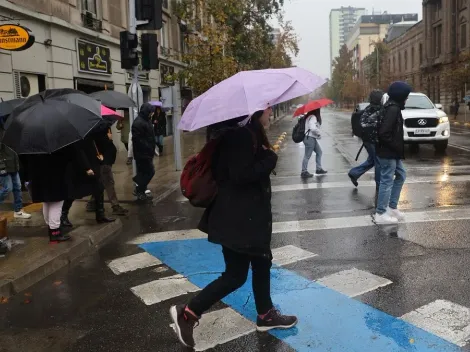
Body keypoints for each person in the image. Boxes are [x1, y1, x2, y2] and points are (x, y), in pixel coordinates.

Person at [170, 108, 297, 349]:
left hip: (243, 218)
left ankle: (265, 314)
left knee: (261, 262)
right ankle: (187, 313)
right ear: (256, 111)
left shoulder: (243, 134)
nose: (270, 112)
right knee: (236, 275)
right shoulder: (240, 136)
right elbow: (240, 175)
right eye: (268, 108)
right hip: (240, 220)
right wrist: (269, 159)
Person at [374, 81, 411, 224]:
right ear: (400, 95)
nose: (407, 99)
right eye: (406, 96)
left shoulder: (392, 107)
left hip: (391, 152)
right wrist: (396, 146)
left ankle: (392, 207)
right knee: (387, 180)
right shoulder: (393, 109)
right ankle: (381, 213)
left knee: (401, 175)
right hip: (388, 152)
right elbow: (384, 133)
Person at [61, 135, 116, 226]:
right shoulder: (77, 136)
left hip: (91, 164)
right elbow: (79, 151)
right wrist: (87, 167)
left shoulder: (87, 132)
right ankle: (63, 216)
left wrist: (99, 158)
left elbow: (92, 145)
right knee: (73, 192)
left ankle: (100, 215)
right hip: (81, 167)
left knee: (99, 188)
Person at [24, 148, 72, 242]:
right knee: (56, 205)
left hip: (40, 179)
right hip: (54, 179)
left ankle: (50, 227)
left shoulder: (32, 146)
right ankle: (55, 232)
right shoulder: (55, 145)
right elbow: (66, 159)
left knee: (47, 202)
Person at [84, 128, 128, 216]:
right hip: (103, 162)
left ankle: (92, 203)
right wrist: (108, 139)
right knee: (108, 183)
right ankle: (115, 206)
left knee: (101, 184)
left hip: (106, 161)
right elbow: (101, 146)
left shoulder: (101, 128)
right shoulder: (98, 131)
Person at [348, 90, 384, 188]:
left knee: (372, 160)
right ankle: (379, 184)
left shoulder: (370, 108)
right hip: (372, 140)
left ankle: (354, 173)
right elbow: (365, 124)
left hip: (369, 140)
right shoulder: (375, 109)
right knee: (378, 162)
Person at [0, 143, 31, 220]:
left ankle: (18, 210)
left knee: (17, 187)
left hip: (14, 166)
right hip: (3, 167)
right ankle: (18, 210)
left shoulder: (13, 133)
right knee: (8, 188)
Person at [132, 103, 156, 201]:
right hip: (142, 153)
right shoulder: (138, 123)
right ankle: (139, 188)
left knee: (144, 172)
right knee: (150, 171)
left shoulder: (147, 120)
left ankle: (141, 191)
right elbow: (138, 140)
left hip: (147, 152)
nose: (152, 114)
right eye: (151, 112)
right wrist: (148, 147)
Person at [301, 108, 327, 178]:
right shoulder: (313, 117)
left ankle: (318, 169)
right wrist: (318, 133)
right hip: (309, 138)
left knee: (319, 152)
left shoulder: (309, 116)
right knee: (307, 155)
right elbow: (312, 128)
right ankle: (304, 171)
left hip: (310, 138)